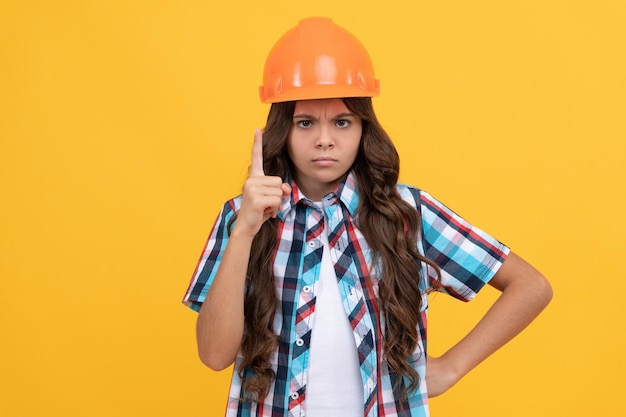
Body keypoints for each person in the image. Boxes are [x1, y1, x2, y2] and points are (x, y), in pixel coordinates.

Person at [182, 17, 552, 417]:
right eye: (305, 123)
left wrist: (450, 369)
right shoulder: (242, 215)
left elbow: (531, 286)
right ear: (281, 131)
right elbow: (214, 355)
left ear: (363, 128)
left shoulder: (407, 214)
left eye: (342, 122)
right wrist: (244, 232)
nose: (324, 139)